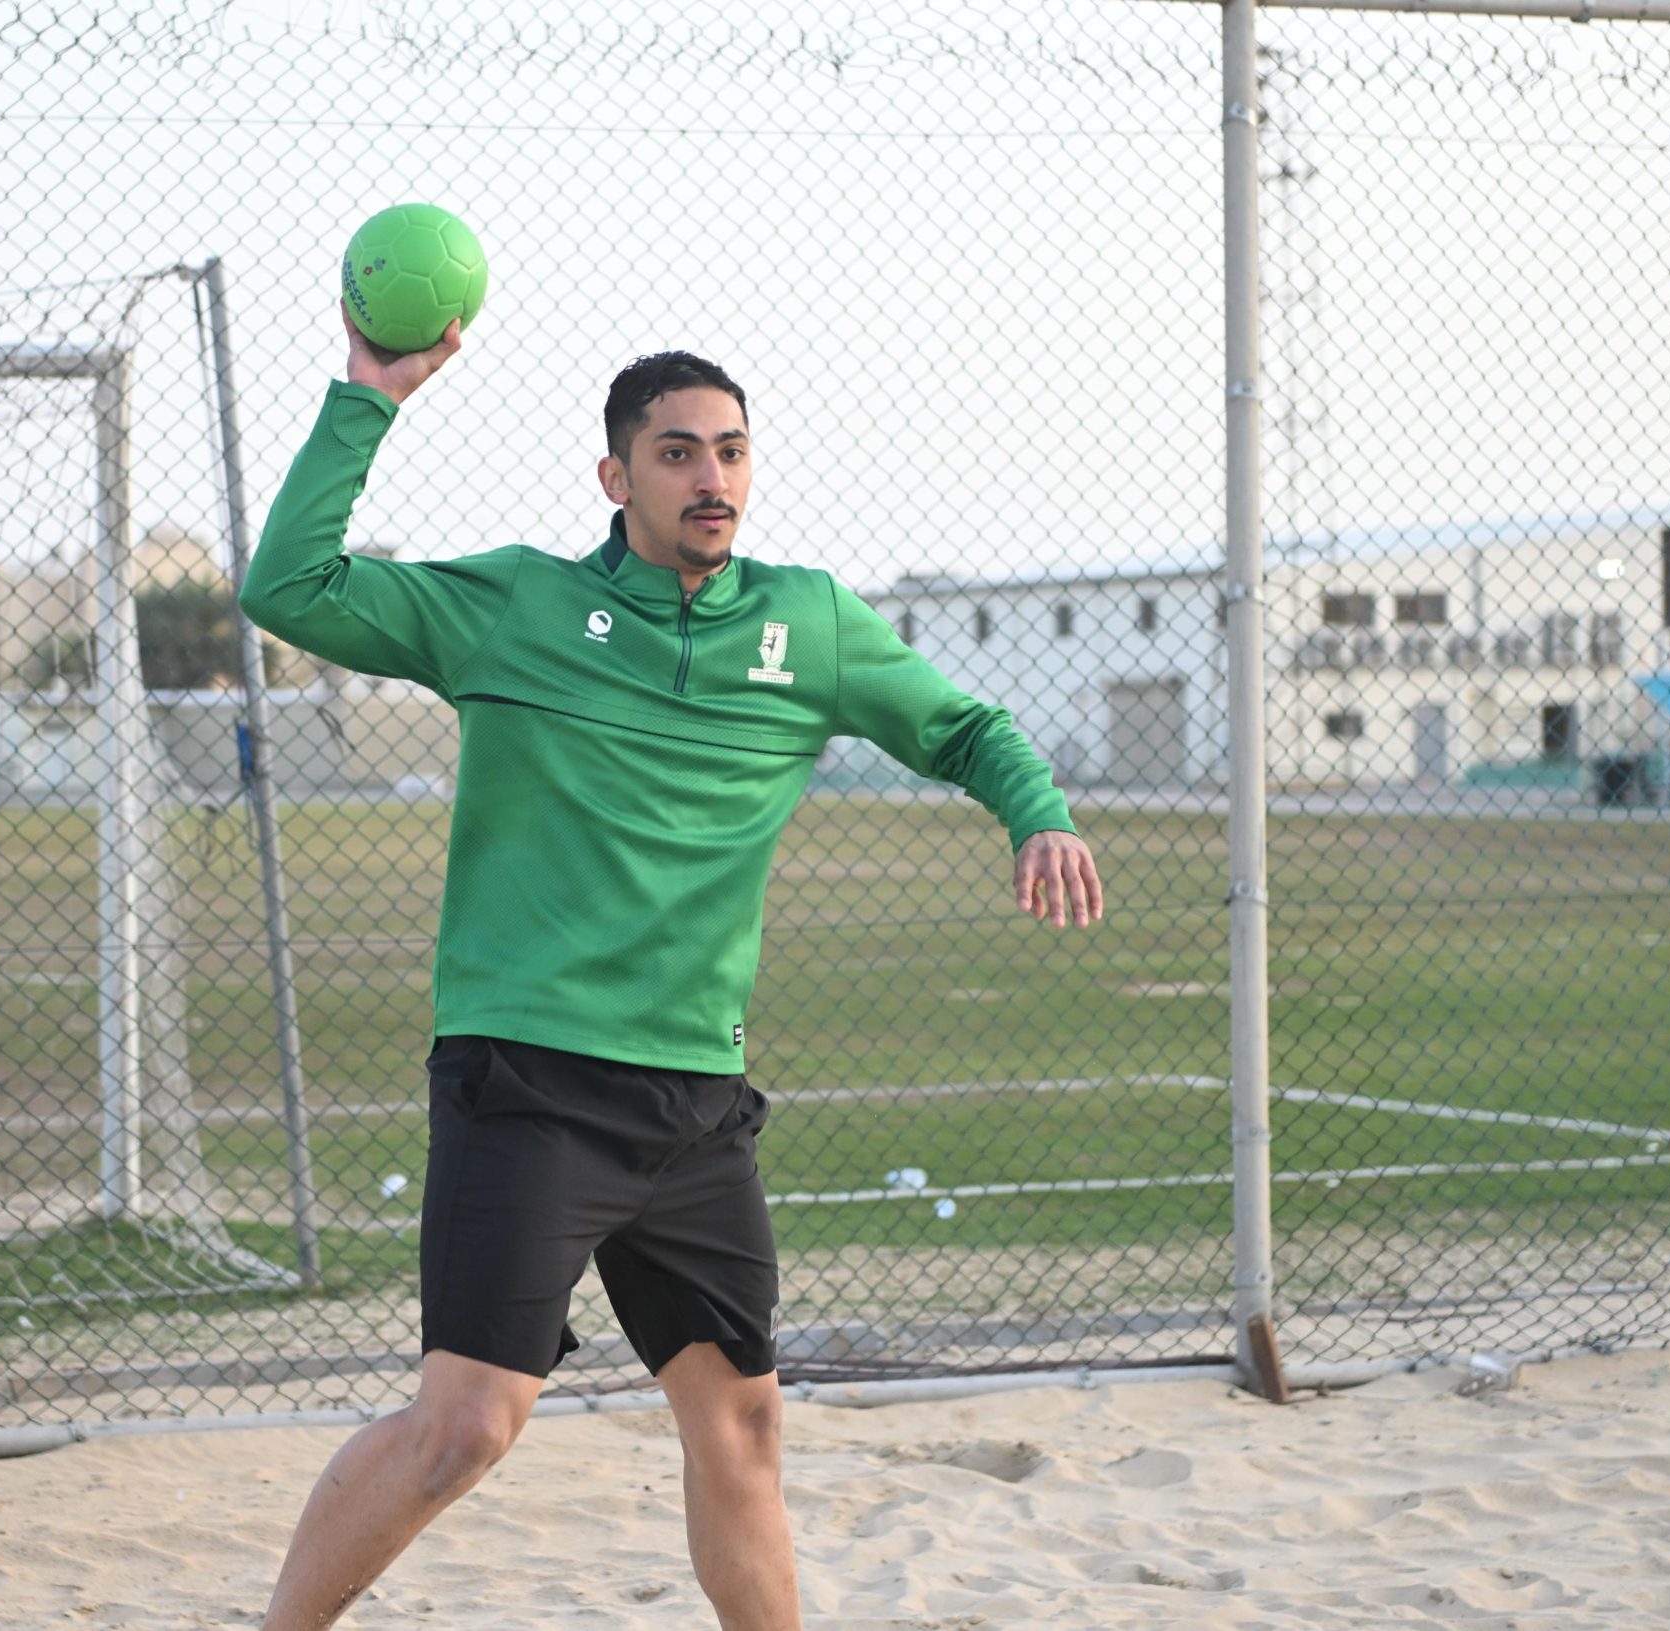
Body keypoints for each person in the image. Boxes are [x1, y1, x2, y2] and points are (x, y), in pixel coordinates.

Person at [238, 309, 1104, 1631]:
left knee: (742, 1424)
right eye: (679, 453)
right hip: (528, 1082)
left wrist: (1036, 812)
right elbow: (289, 589)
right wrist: (370, 398)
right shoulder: (518, 608)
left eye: (732, 451)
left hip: (697, 1101)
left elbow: (966, 728)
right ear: (617, 477)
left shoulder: (806, 624)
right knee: (466, 1428)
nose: (713, 478)